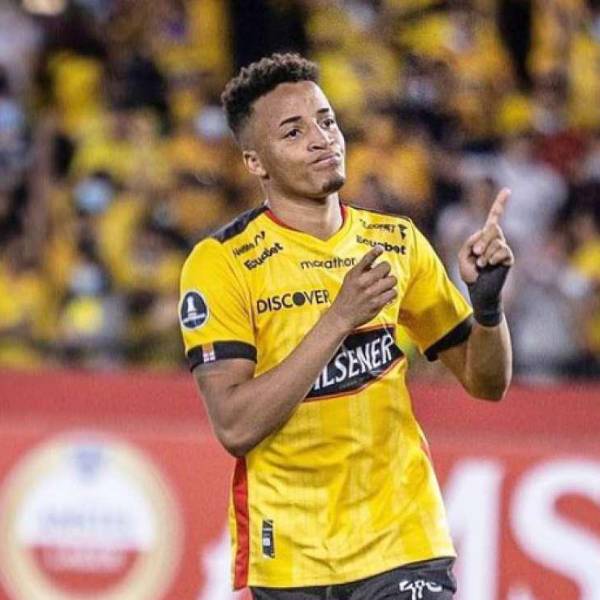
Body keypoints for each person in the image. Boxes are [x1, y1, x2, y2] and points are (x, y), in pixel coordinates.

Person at [179, 53, 513, 600]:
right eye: (294, 132)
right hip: (289, 557)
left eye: (327, 121)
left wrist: (488, 307)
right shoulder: (222, 263)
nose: (322, 140)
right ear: (256, 162)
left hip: (403, 540)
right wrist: (338, 320)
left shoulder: (397, 242)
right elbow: (235, 427)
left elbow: (487, 382)